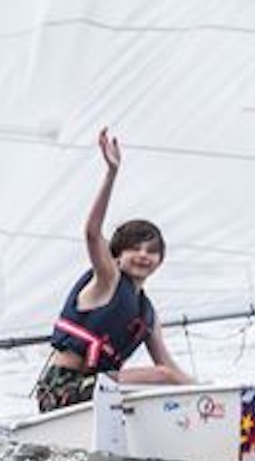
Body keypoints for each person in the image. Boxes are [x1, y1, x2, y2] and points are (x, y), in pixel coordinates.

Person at [33, 127, 192, 412]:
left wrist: (208, 392)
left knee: (168, 377)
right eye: (135, 248)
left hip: (97, 394)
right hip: (62, 390)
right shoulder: (107, 280)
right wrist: (111, 174)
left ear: (160, 260)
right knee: (163, 378)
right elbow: (92, 233)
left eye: (152, 251)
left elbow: (167, 365)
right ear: (117, 256)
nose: (144, 256)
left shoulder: (148, 315)